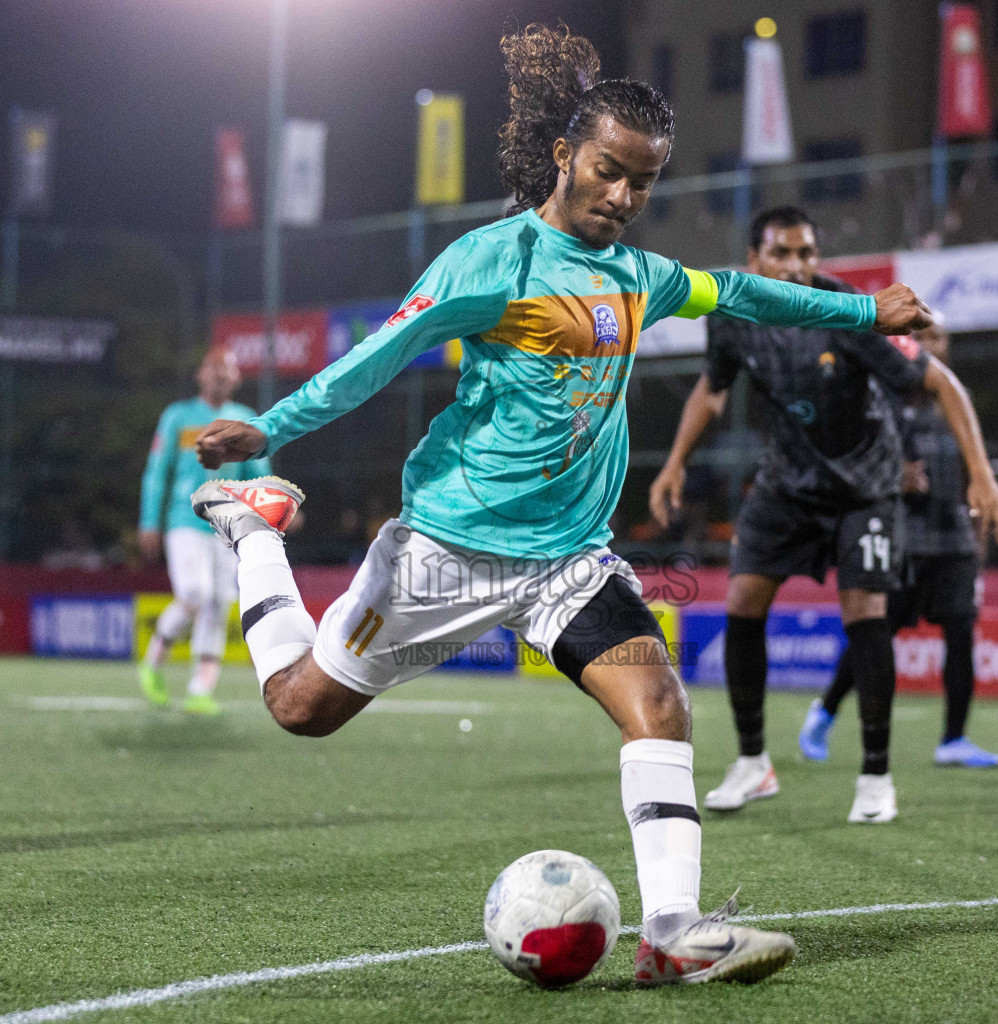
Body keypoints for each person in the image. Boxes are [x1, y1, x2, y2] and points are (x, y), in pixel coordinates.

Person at [188, 25, 939, 986]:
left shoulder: (643, 277)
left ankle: (673, 934)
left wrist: (865, 310)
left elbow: (748, 294)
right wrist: (273, 427)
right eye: (607, 171)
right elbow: (379, 356)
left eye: (642, 181)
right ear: (563, 157)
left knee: (660, 708)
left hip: (569, 563)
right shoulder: (491, 264)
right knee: (299, 708)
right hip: (443, 551)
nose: (622, 197)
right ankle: (254, 528)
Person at [649, 209, 998, 824]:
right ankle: (753, 763)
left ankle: (875, 777)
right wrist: (674, 461)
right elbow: (712, 389)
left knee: (866, 613)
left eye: (807, 254)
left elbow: (943, 383)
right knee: (742, 601)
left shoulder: (849, 311)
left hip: (866, 485)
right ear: (755, 259)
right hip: (787, 480)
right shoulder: (733, 311)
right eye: (783, 254)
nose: (797, 267)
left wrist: (983, 473)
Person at [802, 316, 998, 769]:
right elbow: (846, 466)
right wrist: (895, 478)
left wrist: (979, 546)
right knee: (873, 637)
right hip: (898, 537)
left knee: (960, 635)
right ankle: (826, 710)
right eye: (923, 338)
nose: (931, 344)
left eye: (939, 337)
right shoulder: (882, 400)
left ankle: (953, 739)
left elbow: (978, 477)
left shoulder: (958, 406)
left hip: (954, 541)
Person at [136, 351, 270, 715]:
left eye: (226, 370)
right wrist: (149, 522)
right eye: (212, 369)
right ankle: (153, 663)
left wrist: (272, 508)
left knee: (218, 603)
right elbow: (155, 472)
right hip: (183, 521)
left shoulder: (244, 421)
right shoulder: (178, 417)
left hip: (227, 526)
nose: (219, 376)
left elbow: (258, 476)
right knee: (195, 594)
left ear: (237, 377)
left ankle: (200, 690)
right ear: (199, 375)